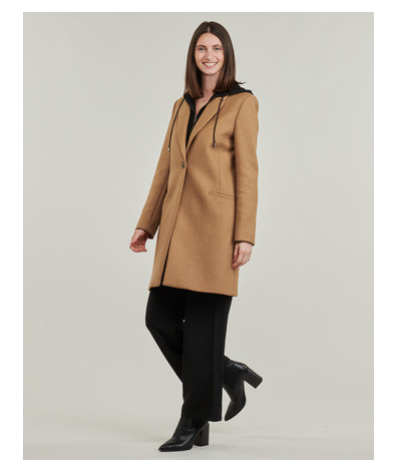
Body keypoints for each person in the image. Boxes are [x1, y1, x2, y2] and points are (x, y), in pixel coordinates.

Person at [130, 21, 263, 452]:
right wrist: (146, 222)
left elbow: (247, 172)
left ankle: (194, 419)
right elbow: (165, 166)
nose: (209, 55)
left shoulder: (242, 103)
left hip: (216, 231)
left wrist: (244, 234)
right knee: (159, 319)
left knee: (204, 330)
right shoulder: (181, 104)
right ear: (193, 55)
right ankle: (227, 373)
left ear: (227, 55)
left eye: (216, 48)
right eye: (202, 48)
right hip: (175, 229)